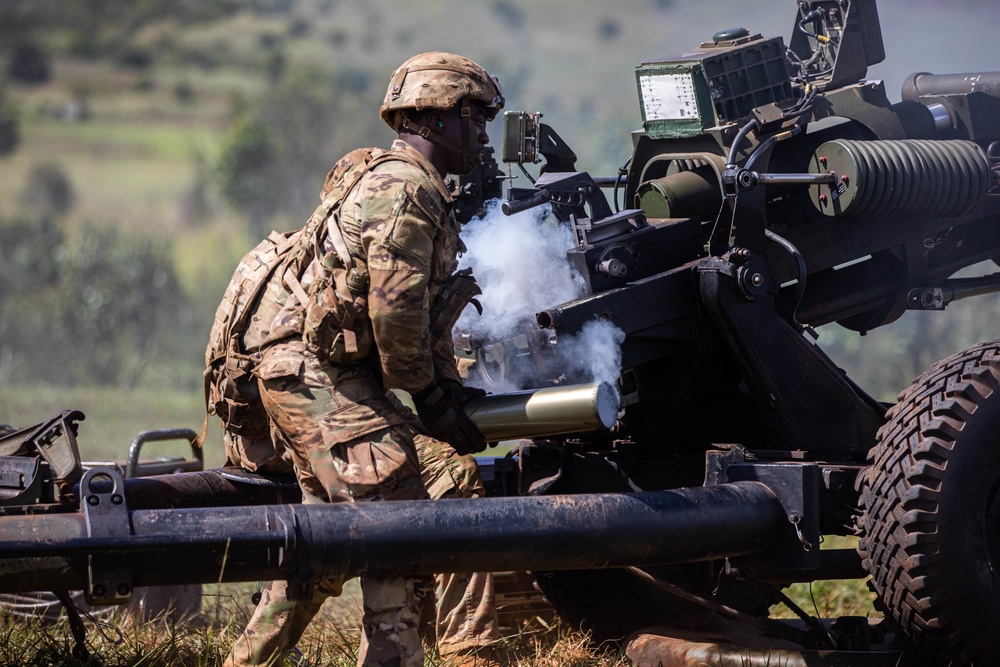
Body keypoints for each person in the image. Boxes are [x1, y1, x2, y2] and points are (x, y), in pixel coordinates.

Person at [223, 52, 505, 667]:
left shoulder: (395, 181)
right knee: (399, 532)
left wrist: (448, 393)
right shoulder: (406, 190)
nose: (483, 134)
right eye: (474, 117)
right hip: (317, 378)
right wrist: (431, 403)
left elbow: (419, 317)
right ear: (436, 119)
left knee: (324, 544)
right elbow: (395, 317)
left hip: (315, 377)